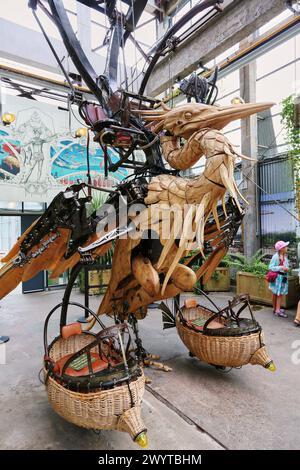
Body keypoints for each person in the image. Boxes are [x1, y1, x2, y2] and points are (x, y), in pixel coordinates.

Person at [268, 240, 289, 318]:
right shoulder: (276, 257)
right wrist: (281, 267)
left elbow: (286, 266)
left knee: (277, 294)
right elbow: (270, 267)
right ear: (281, 249)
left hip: (282, 278)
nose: (287, 248)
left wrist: (286, 268)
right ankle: (277, 310)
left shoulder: (284, 256)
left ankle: (275, 308)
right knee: (278, 294)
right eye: (285, 247)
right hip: (277, 278)